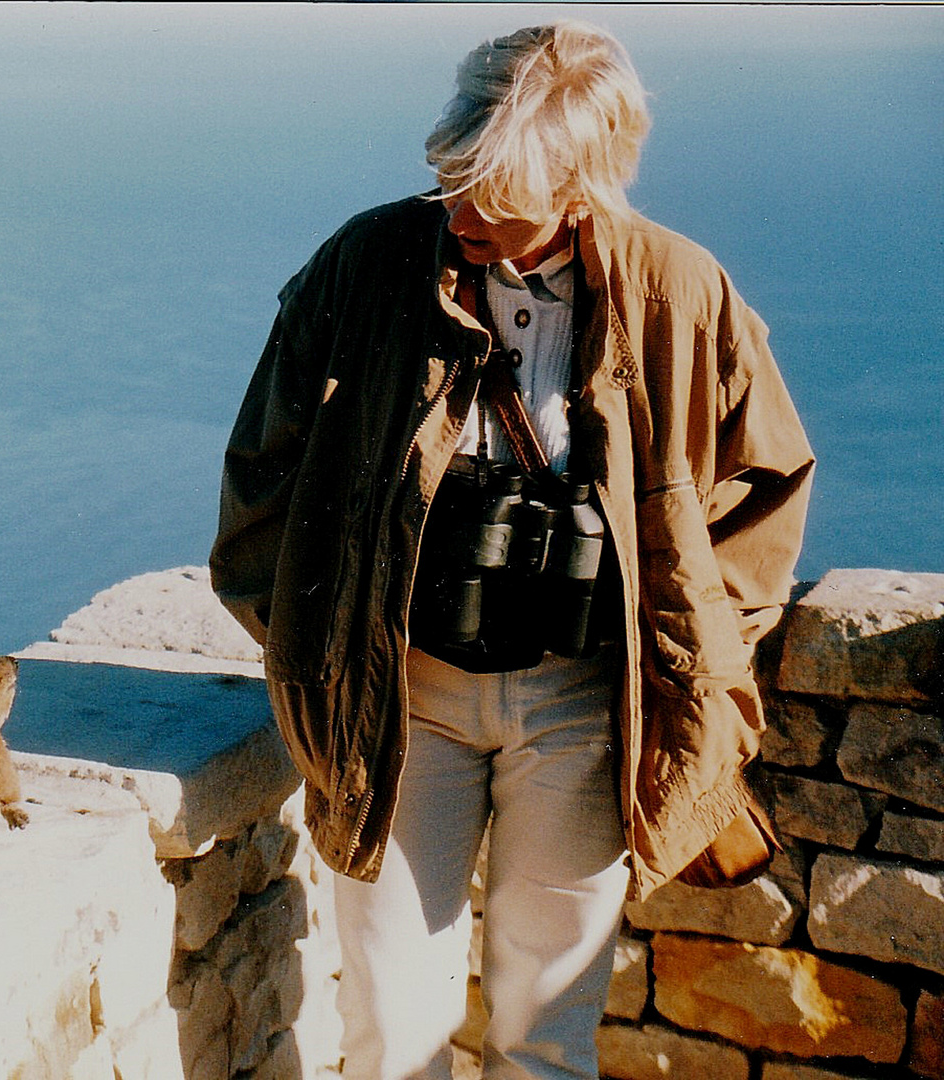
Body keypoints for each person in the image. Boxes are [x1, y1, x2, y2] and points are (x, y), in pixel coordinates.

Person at [209, 21, 814, 1080]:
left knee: (544, 1038)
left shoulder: (675, 290)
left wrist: (700, 661)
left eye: (499, 195)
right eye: (453, 180)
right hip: (399, 704)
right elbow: (262, 472)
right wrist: (316, 648)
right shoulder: (367, 266)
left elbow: (760, 488)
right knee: (389, 1034)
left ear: (585, 185)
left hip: (585, 708)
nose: (463, 214)